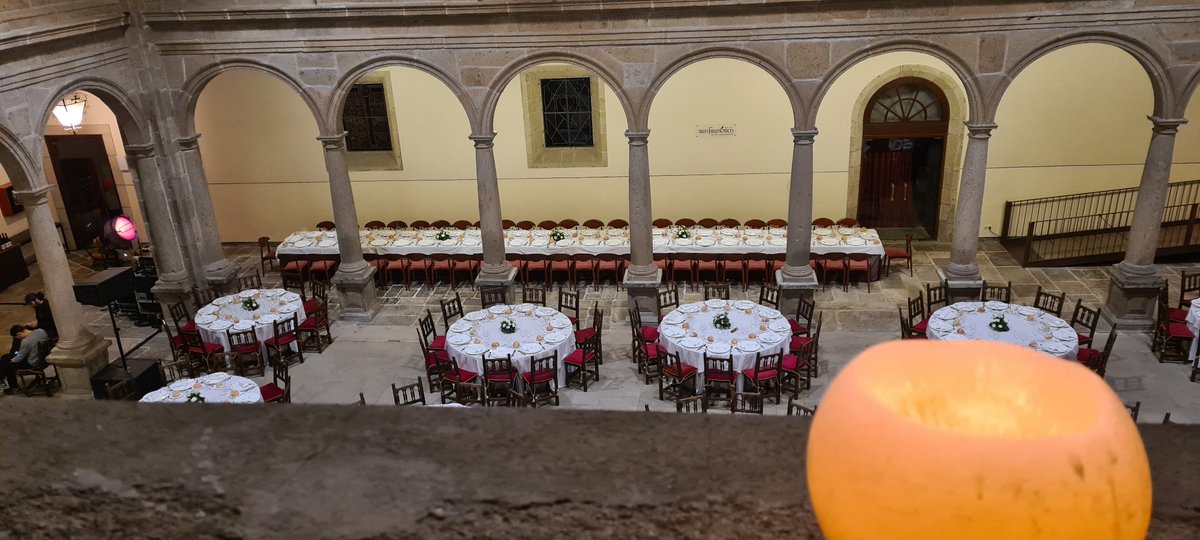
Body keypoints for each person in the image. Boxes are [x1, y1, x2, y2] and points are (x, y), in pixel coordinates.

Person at [1, 325, 48, 395]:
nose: (19, 339)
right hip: (44, 359)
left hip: (33, 363)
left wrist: (11, 361)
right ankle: (1, 378)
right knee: (5, 358)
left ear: (19, 334)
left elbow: (20, 357)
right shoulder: (41, 331)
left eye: (17, 337)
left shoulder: (26, 341)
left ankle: (14, 388)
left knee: (9, 365)